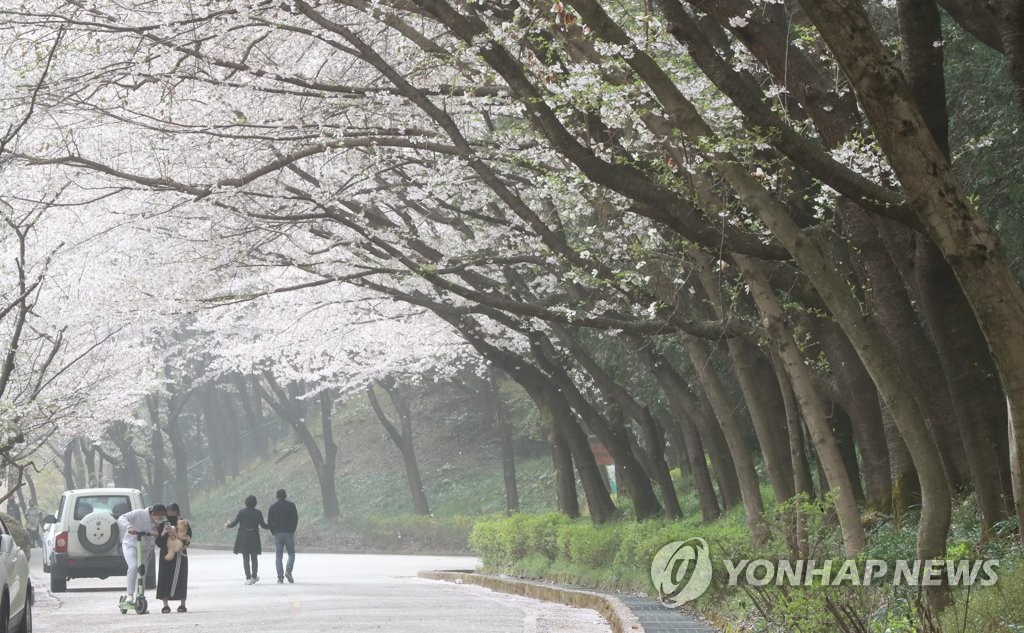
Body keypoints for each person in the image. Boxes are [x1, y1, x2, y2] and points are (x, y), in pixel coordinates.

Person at [117, 504, 167, 602]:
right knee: (134, 566)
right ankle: (130, 594)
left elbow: (159, 538)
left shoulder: (160, 523)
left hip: (145, 549)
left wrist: (160, 534)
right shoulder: (139, 513)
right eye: (158, 516)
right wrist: (129, 527)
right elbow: (121, 518)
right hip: (130, 545)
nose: (159, 519)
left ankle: (140, 597)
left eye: (162, 517)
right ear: (152, 513)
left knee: (142, 572)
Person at [155, 502, 191, 613]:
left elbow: (188, 538)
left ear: (177, 511)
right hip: (166, 555)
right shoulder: (163, 524)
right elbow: (158, 543)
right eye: (169, 511)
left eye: (173, 511)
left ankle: (182, 604)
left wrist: (180, 541)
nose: (171, 513)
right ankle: (165, 605)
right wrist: (164, 533)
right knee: (164, 578)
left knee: (181, 578)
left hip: (180, 554)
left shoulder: (184, 522)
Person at [225, 495, 269, 584]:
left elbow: (235, 522)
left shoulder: (242, 512)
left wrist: (228, 525)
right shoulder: (258, 513)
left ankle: (248, 577)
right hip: (254, 537)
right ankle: (254, 576)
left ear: (246, 503)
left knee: (245, 558)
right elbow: (263, 526)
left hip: (243, 537)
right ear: (255, 503)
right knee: (254, 558)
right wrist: (272, 525)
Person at [266, 489, 298, 584]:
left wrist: (273, 531)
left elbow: (270, 522)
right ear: (285, 495)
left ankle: (280, 578)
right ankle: (288, 571)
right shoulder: (291, 505)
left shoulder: (272, 507)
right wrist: (292, 529)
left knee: (278, 556)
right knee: (291, 554)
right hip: (288, 533)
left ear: (276, 496)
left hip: (278, 533)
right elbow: (295, 519)